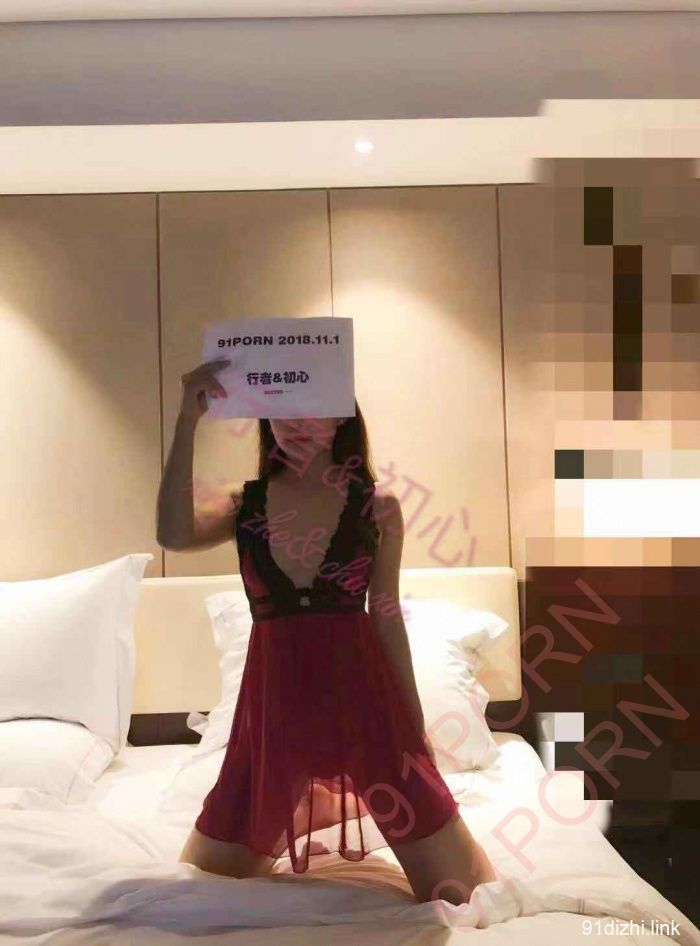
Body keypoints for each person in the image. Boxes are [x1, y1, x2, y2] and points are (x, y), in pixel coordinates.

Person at [157, 356, 497, 905]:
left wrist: (413, 726)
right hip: (274, 718)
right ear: (265, 416)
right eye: (284, 408)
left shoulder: (377, 507)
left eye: (315, 406)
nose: (299, 421)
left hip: (367, 711)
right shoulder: (245, 505)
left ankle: (337, 800)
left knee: (464, 892)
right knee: (197, 891)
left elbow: (385, 614)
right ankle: (319, 803)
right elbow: (172, 535)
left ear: (341, 415)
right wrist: (187, 419)